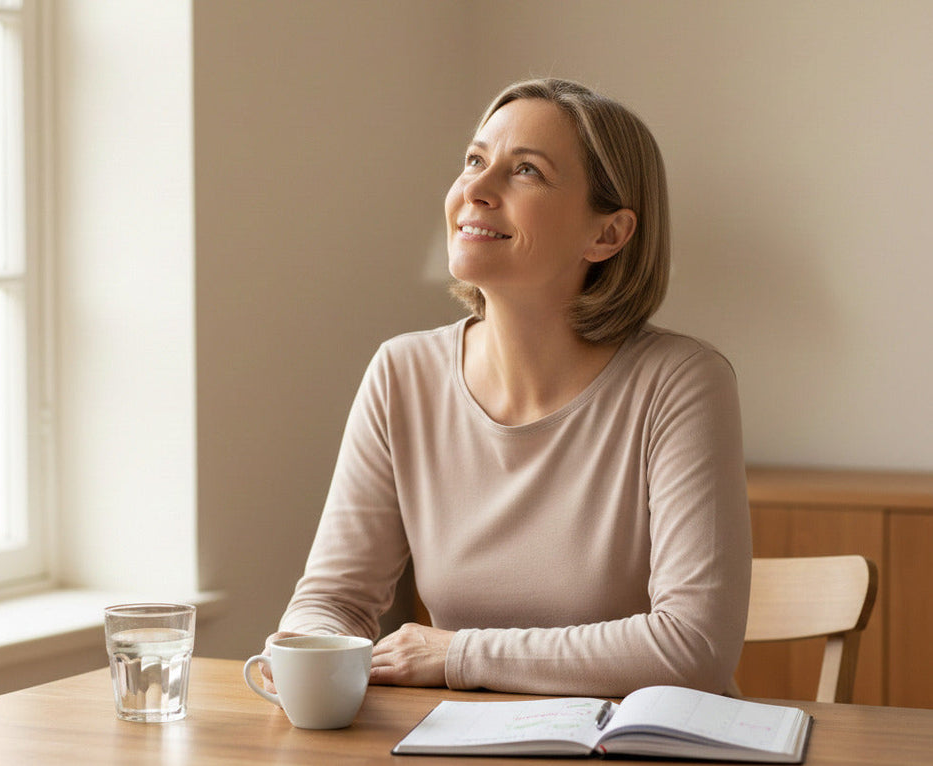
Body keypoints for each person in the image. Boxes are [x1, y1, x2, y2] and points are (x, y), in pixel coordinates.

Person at [262, 78, 751, 697]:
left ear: (607, 235)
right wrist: (307, 648)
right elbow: (333, 601)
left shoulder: (681, 383)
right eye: (474, 161)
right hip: (460, 743)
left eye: (525, 171)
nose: (476, 189)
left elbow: (694, 647)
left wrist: (458, 654)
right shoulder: (401, 374)